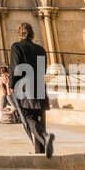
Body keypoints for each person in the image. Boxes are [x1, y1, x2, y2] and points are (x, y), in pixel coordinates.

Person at [10, 23, 54, 157]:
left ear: (19, 33)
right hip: (39, 85)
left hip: (24, 86)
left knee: (28, 117)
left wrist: (12, 85)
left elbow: (16, 68)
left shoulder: (16, 47)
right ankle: (40, 153)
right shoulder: (40, 49)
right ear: (32, 33)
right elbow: (43, 70)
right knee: (39, 118)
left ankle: (45, 137)